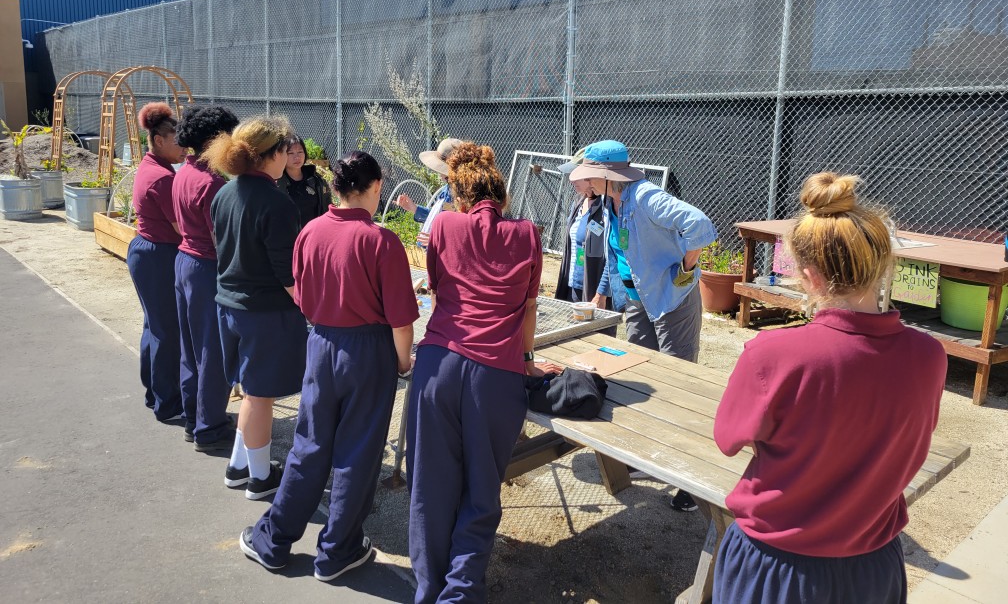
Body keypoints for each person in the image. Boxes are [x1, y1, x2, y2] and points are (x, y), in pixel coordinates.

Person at [712, 172, 947, 604]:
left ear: (809, 277)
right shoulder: (930, 356)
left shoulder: (773, 354)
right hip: (874, 565)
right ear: (883, 265)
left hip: (776, 565)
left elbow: (728, 439)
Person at [239, 151, 419, 581]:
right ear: (375, 188)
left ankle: (274, 539)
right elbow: (401, 321)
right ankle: (338, 551)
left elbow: (299, 292)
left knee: (309, 444)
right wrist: (402, 361)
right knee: (357, 452)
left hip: (320, 344)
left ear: (336, 187)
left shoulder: (309, 232)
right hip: (368, 352)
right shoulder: (381, 241)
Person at [406, 142, 562, 604]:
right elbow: (529, 310)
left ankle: (428, 590)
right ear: (502, 191)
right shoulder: (528, 234)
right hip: (497, 374)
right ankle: (460, 593)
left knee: (429, 486)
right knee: (481, 490)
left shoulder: (444, 225)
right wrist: (527, 357)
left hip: (438, 364)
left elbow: (436, 288)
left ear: (459, 194)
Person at [568, 139, 715, 512]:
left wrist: (685, 268)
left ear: (604, 174)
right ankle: (646, 455)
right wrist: (601, 294)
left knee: (680, 384)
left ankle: (692, 481)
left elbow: (699, 224)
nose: (581, 180)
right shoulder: (609, 204)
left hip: (670, 300)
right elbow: (620, 255)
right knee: (641, 378)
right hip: (637, 301)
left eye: (586, 173)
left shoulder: (646, 195)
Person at [205, 116, 307, 501]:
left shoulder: (225, 192)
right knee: (259, 396)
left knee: (251, 392)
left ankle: (238, 466)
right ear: (274, 154)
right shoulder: (276, 202)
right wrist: (312, 308)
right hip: (264, 312)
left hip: (228, 303)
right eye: (287, 149)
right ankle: (261, 478)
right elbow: (287, 274)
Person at [172, 105, 239, 450]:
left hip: (184, 262)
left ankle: (193, 417)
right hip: (207, 268)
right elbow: (221, 240)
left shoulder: (184, 171)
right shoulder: (212, 184)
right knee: (213, 351)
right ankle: (210, 428)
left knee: (190, 348)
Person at [126, 102, 187, 424]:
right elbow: (183, 228)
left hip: (146, 251)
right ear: (159, 140)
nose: (183, 147)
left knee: (154, 327)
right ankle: (168, 403)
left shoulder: (150, 167)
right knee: (168, 332)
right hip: (159, 254)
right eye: (177, 140)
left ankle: (154, 393)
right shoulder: (162, 179)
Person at [555, 152, 608, 305]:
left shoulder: (607, 205)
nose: (571, 178)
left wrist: (601, 292)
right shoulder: (578, 202)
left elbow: (611, 253)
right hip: (571, 283)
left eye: (576, 173)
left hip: (592, 288)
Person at [395, 137, 462, 245]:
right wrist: (414, 208)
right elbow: (438, 218)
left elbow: (462, 231)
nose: (438, 171)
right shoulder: (447, 189)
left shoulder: (462, 194)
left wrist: (439, 239)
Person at [276, 136, 332, 231]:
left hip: (314, 236)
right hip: (288, 240)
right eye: (291, 153)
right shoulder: (277, 183)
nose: (297, 157)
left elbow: (327, 208)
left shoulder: (316, 180)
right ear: (282, 156)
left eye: (300, 152)